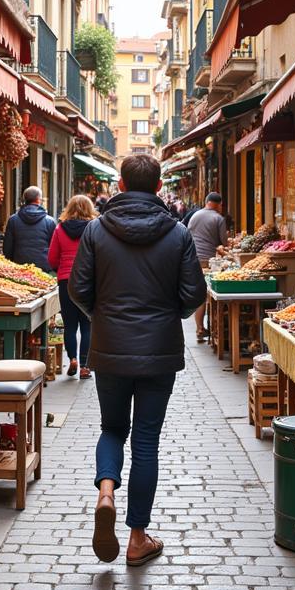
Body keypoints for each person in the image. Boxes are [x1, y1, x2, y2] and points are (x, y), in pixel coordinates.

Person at [69, 155, 207, 567]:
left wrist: (103, 317)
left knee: (112, 428)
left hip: (110, 347)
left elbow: (78, 288)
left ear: (123, 184)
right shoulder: (178, 234)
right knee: (146, 440)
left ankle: (106, 492)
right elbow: (194, 294)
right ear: (160, 184)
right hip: (158, 352)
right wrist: (170, 317)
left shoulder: (96, 230)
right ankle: (136, 538)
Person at [47, 194, 95, 379]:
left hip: (66, 280)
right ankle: (84, 366)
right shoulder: (93, 228)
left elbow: (52, 258)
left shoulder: (60, 229)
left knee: (70, 325)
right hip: (88, 280)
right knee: (87, 325)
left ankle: (72, 358)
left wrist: (62, 268)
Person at [186, 192, 227, 343]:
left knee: (201, 294)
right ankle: (217, 329)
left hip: (193, 259)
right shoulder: (218, 218)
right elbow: (223, 243)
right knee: (211, 295)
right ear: (217, 204)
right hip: (209, 261)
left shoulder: (195, 215)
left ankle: (199, 328)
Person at [3, 186, 56, 273]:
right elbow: (54, 247)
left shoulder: (13, 220)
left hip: (19, 265)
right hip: (43, 266)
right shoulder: (50, 221)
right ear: (39, 200)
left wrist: (9, 265)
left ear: (25, 199)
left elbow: (8, 247)